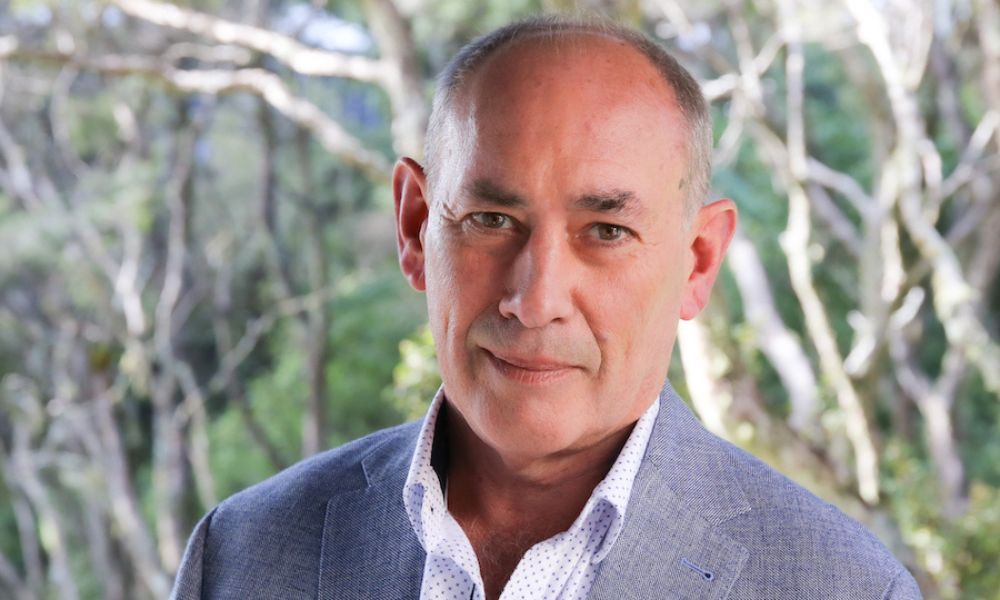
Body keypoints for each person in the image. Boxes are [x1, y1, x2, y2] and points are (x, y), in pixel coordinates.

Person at [171, 16, 922, 600]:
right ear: (415, 225)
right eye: (492, 220)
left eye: (606, 231)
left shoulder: (844, 587)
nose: (534, 302)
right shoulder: (242, 555)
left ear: (697, 261)